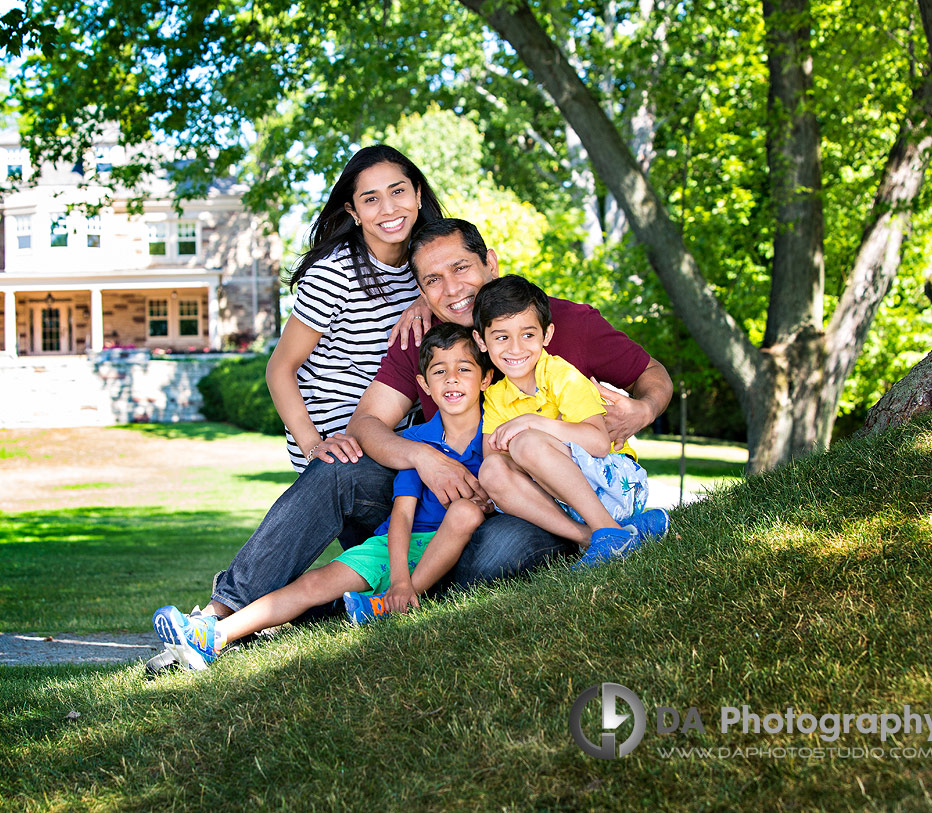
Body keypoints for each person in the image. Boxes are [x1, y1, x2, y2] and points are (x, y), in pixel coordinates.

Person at [145, 218, 672, 676]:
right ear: (420, 289)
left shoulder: (556, 323)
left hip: (539, 498)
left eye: (462, 269)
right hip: (449, 491)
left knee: (495, 553)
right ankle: (221, 615)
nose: (451, 289)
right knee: (338, 470)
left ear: (490, 262)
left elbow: (653, 376)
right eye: (432, 280)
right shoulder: (425, 339)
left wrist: (642, 410)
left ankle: (365, 605)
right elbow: (369, 424)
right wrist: (423, 456)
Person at [152, 323, 492, 669]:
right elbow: (402, 515)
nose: (451, 379)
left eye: (464, 369)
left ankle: (393, 602)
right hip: (396, 547)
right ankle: (213, 636)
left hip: (449, 546)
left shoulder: (493, 436)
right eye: (439, 371)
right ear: (424, 385)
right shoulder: (417, 442)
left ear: (485, 379)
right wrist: (400, 576)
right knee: (314, 583)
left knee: (466, 512)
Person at [266, 144, 444, 473]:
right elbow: (280, 368)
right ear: (354, 211)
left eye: (398, 191)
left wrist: (426, 296)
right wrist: (313, 445)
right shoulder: (334, 273)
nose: (389, 208)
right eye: (371, 199)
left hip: (400, 432)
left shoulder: (428, 265)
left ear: (418, 194)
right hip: (338, 440)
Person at [472, 275, 669, 566]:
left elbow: (600, 443)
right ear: (481, 340)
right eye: (501, 337)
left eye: (528, 335)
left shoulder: (562, 375)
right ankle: (595, 537)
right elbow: (495, 458)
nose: (515, 348)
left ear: (546, 335)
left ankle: (607, 529)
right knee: (490, 471)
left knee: (526, 444)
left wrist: (532, 422)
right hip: (564, 498)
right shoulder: (497, 394)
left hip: (618, 484)